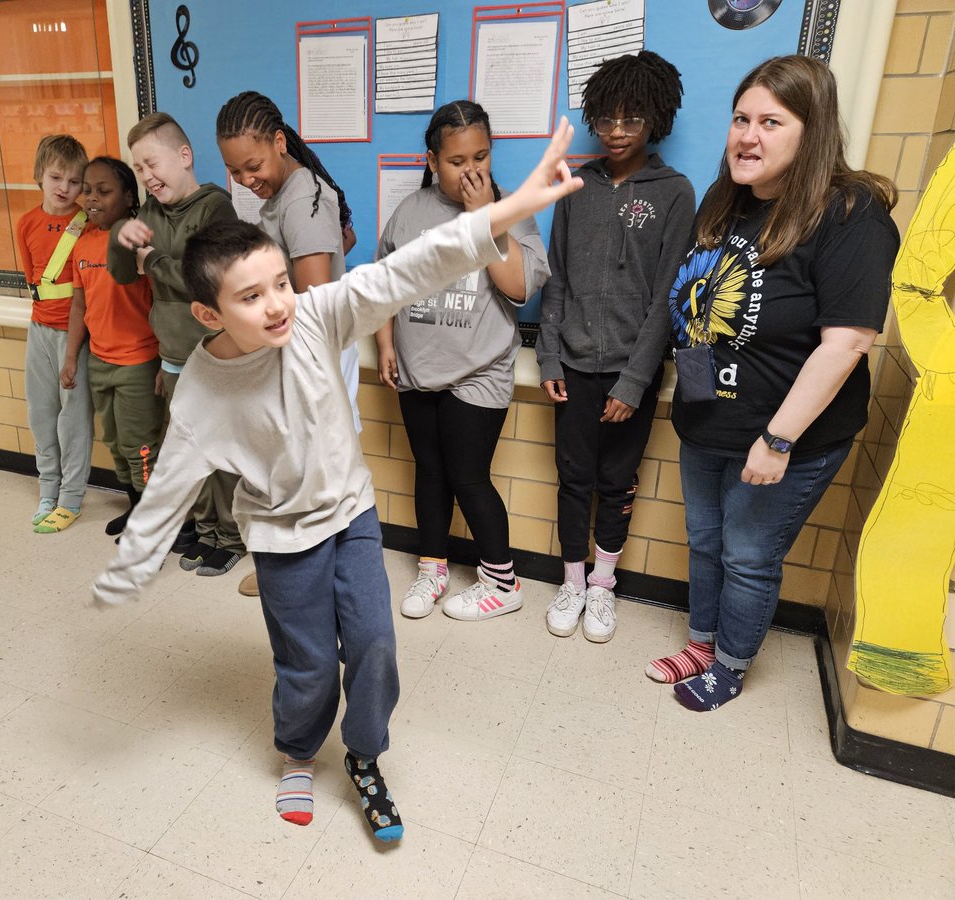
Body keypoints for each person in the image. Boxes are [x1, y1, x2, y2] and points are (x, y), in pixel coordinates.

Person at [91, 119, 584, 841]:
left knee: (376, 645)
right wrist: (131, 567)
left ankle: (365, 755)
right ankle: (296, 749)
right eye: (252, 297)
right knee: (310, 662)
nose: (278, 304)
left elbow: (414, 265)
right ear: (208, 313)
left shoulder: (317, 315)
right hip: (283, 536)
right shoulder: (202, 388)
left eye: (281, 283)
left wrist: (505, 212)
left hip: (350, 515)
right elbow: (171, 483)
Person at [646, 55, 898, 710]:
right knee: (705, 542)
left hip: (790, 440)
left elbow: (846, 343)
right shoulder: (723, 202)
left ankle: (729, 665)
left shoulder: (851, 215)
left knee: (749, 556)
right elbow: (694, 309)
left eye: (769, 122)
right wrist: (696, 402)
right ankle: (702, 642)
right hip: (709, 422)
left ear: (810, 133)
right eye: (740, 118)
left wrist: (778, 441)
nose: (746, 136)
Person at [537, 51, 695, 643]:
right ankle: (572, 581)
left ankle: (603, 585)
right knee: (573, 476)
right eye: (606, 120)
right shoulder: (576, 185)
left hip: (634, 371)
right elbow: (556, 277)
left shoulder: (676, 192)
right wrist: (549, 357)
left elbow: (667, 299)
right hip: (572, 366)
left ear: (655, 119)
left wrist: (634, 381)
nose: (617, 131)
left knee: (617, 479)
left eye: (631, 119)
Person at [373, 100, 549, 622]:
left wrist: (482, 218)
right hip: (416, 367)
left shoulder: (512, 207)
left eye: (482, 157)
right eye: (456, 161)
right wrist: (385, 344)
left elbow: (520, 288)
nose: (471, 170)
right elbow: (384, 286)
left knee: (468, 476)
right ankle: (433, 570)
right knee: (429, 472)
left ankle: (503, 580)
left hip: (479, 370)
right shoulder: (409, 212)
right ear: (432, 161)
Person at [216, 90, 362, 598]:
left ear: (279, 143)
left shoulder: (301, 199)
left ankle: (303, 572)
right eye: (234, 171)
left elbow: (314, 300)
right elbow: (338, 246)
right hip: (302, 356)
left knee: (313, 474)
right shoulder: (293, 194)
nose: (244, 180)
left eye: (252, 165)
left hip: (312, 359)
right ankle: (293, 566)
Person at [108, 113, 246, 576]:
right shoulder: (148, 214)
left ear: (184, 157)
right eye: (139, 169)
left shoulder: (215, 209)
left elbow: (204, 279)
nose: (147, 176)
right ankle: (205, 531)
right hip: (171, 359)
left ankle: (230, 537)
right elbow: (125, 274)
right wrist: (119, 239)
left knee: (220, 454)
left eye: (152, 163)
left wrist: (155, 262)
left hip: (215, 358)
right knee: (186, 452)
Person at [60, 156, 162, 542]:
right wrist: (71, 358)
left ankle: (151, 523)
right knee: (117, 445)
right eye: (87, 190)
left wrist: (161, 364)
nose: (91, 198)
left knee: (141, 449)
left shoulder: (139, 241)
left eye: (104, 191)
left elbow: (161, 302)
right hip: (100, 362)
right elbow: (78, 306)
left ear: (128, 197)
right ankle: (136, 507)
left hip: (139, 362)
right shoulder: (81, 243)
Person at [15, 134, 94, 533]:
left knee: (74, 419)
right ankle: (48, 487)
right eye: (56, 177)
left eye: (74, 181)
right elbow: (33, 278)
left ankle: (72, 496)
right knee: (41, 413)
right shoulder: (26, 223)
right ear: (39, 177)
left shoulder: (87, 225)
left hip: (74, 334)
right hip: (38, 328)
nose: (65, 188)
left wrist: (73, 347)